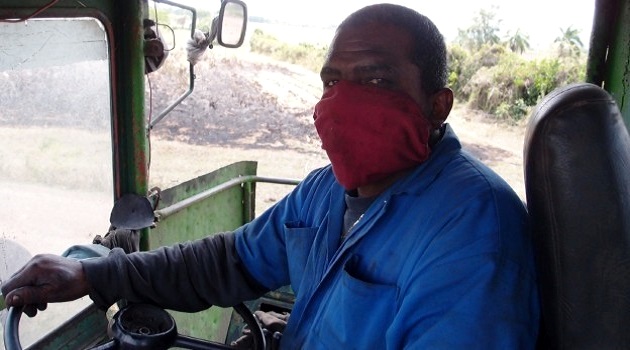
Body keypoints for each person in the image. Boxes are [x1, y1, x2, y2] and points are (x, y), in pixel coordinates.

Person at [1, 3, 539, 348]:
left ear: (437, 105)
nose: (343, 101)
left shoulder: (473, 231)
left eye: (374, 80)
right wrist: (98, 275)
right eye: (332, 82)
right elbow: (229, 260)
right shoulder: (326, 191)